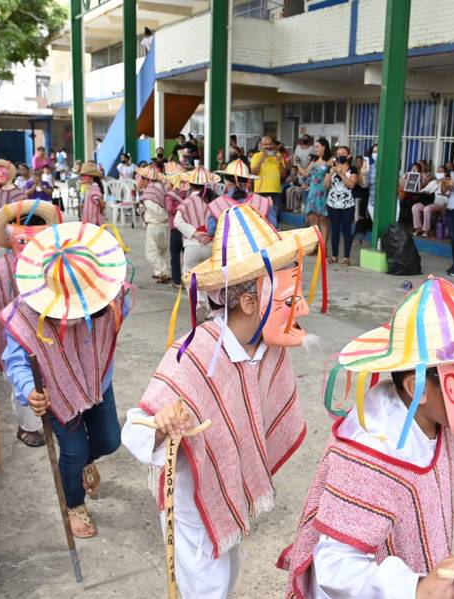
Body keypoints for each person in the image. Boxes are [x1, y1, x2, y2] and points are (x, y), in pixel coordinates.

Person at [280, 277, 454, 599]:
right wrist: (419, 588)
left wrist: (437, 576)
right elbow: (336, 566)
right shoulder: (370, 455)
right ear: (418, 387)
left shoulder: (438, 420)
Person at [122, 205, 324, 598]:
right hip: (192, 497)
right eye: (287, 298)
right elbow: (134, 426)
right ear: (248, 303)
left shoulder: (270, 349)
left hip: (228, 486)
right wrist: (161, 423)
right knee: (207, 585)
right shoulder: (196, 354)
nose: (300, 308)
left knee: (227, 574)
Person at [2, 221, 130, 537]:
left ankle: (86, 461)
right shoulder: (25, 313)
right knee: (72, 451)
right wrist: (30, 389)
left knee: (110, 440)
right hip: (55, 390)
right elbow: (16, 361)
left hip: (98, 380)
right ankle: (74, 503)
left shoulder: (111, 297)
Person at [0, 199, 62, 447]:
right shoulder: (2, 267)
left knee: (52, 376)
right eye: (22, 240)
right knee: (23, 379)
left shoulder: (56, 260)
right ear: (10, 240)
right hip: (16, 339)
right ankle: (26, 426)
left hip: (52, 333)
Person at [174, 166, 219, 315]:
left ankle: (198, 303)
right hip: (211, 246)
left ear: (190, 184)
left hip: (192, 246)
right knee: (208, 278)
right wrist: (208, 235)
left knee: (190, 276)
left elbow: (177, 222)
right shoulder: (215, 202)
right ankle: (209, 308)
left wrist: (195, 233)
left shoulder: (187, 202)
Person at [209, 159, 276, 234]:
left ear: (226, 182)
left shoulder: (217, 204)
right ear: (248, 182)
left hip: (228, 245)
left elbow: (211, 231)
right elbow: (273, 228)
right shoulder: (263, 202)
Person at [325, 145, 360, 266]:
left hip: (347, 204)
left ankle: (346, 257)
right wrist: (330, 174)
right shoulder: (331, 168)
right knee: (334, 230)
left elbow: (351, 185)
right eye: (338, 154)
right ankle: (334, 256)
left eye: (343, 154)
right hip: (333, 203)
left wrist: (341, 174)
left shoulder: (353, 169)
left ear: (348, 156)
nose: (340, 156)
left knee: (346, 230)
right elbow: (326, 186)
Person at [138, 163, 170, 283]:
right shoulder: (160, 186)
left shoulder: (148, 193)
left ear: (147, 179)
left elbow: (157, 211)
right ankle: (161, 272)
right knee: (161, 250)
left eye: (142, 178)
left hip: (155, 224)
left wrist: (164, 218)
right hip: (163, 226)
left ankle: (163, 271)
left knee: (151, 253)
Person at [299, 138, 331, 248]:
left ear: (324, 147)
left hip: (323, 192)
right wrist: (297, 164)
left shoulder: (330, 160)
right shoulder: (314, 160)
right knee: (312, 219)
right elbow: (306, 173)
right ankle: (314, 246)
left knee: (323, 220)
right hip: (313, 191)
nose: (315, 149)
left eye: (317, 146)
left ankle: (323, 247)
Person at [251, 136, 286, 221]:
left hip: (275, 191)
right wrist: (261, 160)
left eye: (270, 144)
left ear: (273, 145)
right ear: (261, 145)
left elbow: (283, 174)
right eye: (265, 144)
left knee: (274, 218)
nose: (268, 146)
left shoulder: (278, 156)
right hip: (260, 191)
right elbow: (253, 172)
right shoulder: (256, 156)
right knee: (260, 218)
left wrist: (280, 164)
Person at [412, 165, 449, 238]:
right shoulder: (433, 182)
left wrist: (443, 182)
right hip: (429, 201)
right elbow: (423, 191)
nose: (439, 173)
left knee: (427, 209)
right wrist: (426, 192)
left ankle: (426, 230)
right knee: (415, 207)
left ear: (445, 173)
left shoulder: (448, 182)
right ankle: (418, 228)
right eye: (438, 171)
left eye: (441, 171)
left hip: (440, 204)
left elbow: (448, 195)